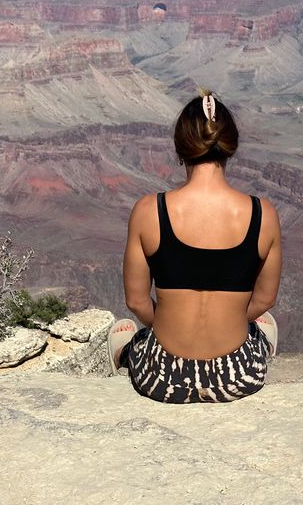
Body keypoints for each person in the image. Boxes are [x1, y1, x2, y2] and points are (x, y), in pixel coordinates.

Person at [108, 90, 282, 403]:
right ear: (230, 145)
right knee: (256, 327)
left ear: (180, 148)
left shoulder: (150, 211)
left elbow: (136, 301)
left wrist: (170, 322)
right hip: (237, 378)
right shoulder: (263, 215)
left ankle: (125, 353)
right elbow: (265, 298)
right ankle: (260, 342)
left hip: (162, 379)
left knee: (134, 336)